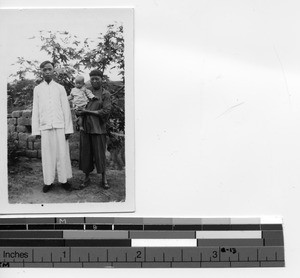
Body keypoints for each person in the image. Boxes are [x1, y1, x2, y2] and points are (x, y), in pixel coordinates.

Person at [31, 61, 74, 193]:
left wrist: (68, 129)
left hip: (60, 126)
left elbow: (66, 109)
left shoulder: (60, 88)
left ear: (54, 71)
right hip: (45, 127)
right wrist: (36, 130)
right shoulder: (37, 89)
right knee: (47, 156)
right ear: (41, 72)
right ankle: (48, 181)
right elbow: (36, 109)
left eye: (50, 69)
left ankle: (63, 180)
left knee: (62, 154)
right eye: (45, 70)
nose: (47, 72)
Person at [77, 69, 112, 189]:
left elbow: (106, 111)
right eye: (92, 79)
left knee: (100, 154)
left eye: (97, 78)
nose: (95, 81)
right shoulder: (86, 92)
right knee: (86, 153)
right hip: (86, 128)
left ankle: (104, 178)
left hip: (99, 129)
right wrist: (79, 111)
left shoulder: (105, 94)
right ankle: (86, 177)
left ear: (102, 79)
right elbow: (79, 105)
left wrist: (88, 112)